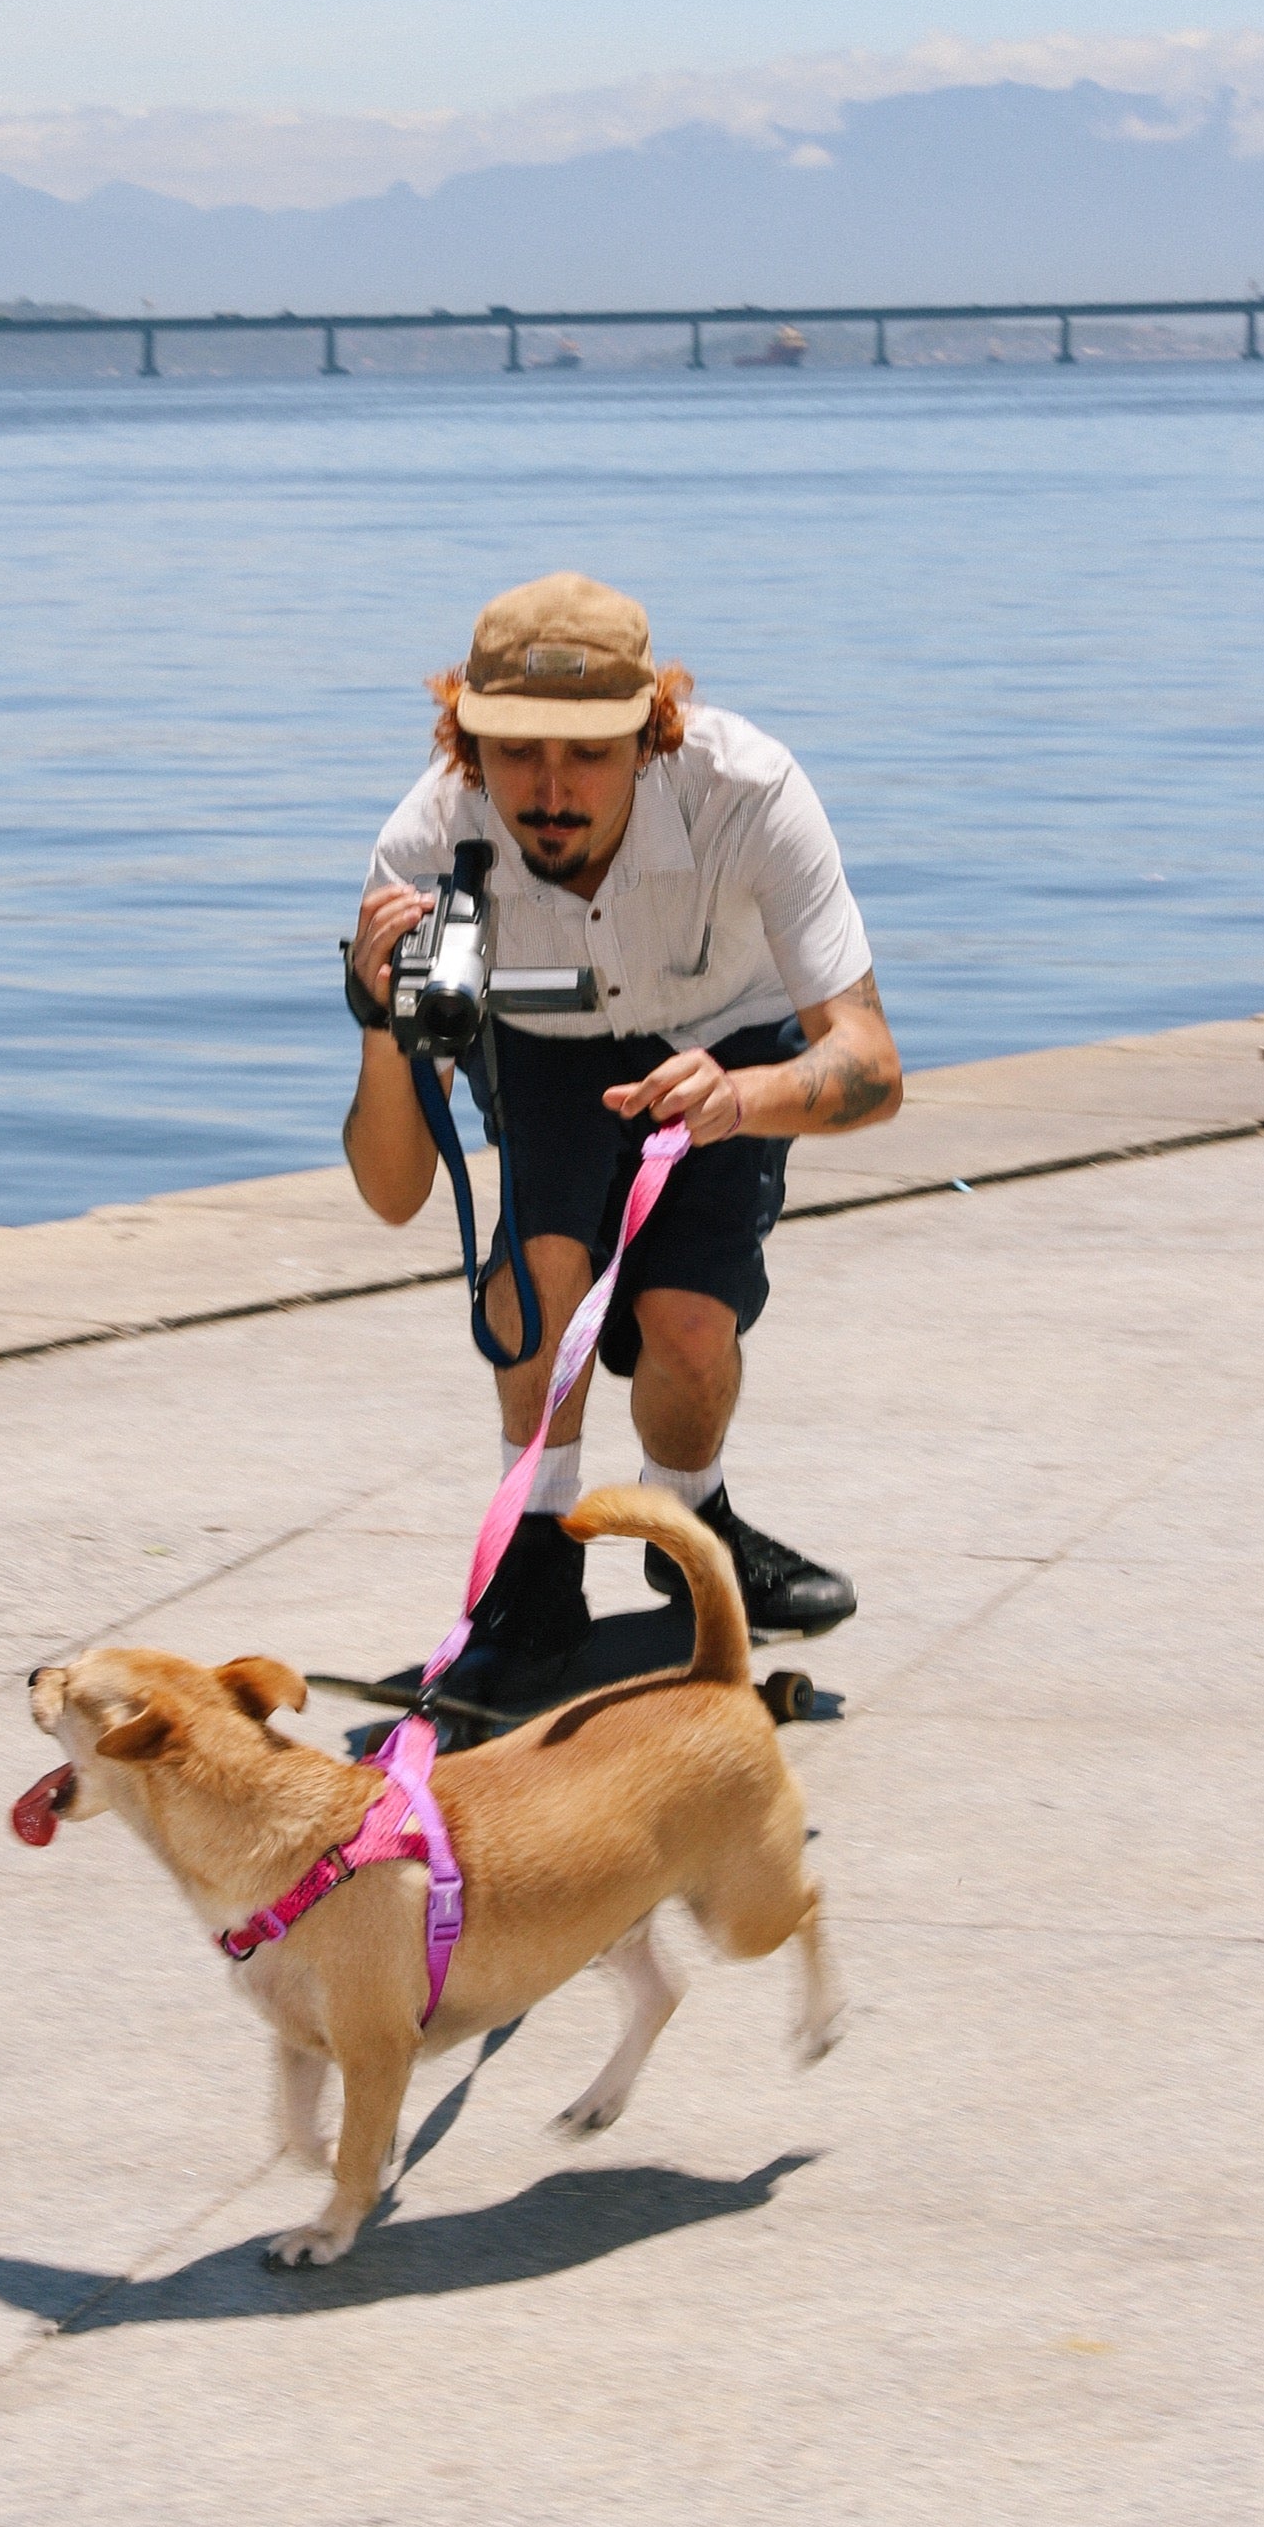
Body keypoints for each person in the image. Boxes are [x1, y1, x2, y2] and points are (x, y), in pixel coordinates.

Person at [342, 571, 904, 1703]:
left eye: (587, 754)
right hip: (540, 1041)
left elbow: (871, 1064)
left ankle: (687, 1526)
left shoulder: (746, 790)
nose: (548, 791)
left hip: (727, 1038)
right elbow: (396, 1192)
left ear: (650, 735)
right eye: (513, 754)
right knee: (542, 1278)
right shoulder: (424, 846)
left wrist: (742, 1099)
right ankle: (532, 1563)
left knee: (686, 1327)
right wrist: (376, 1023)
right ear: (463, 744)